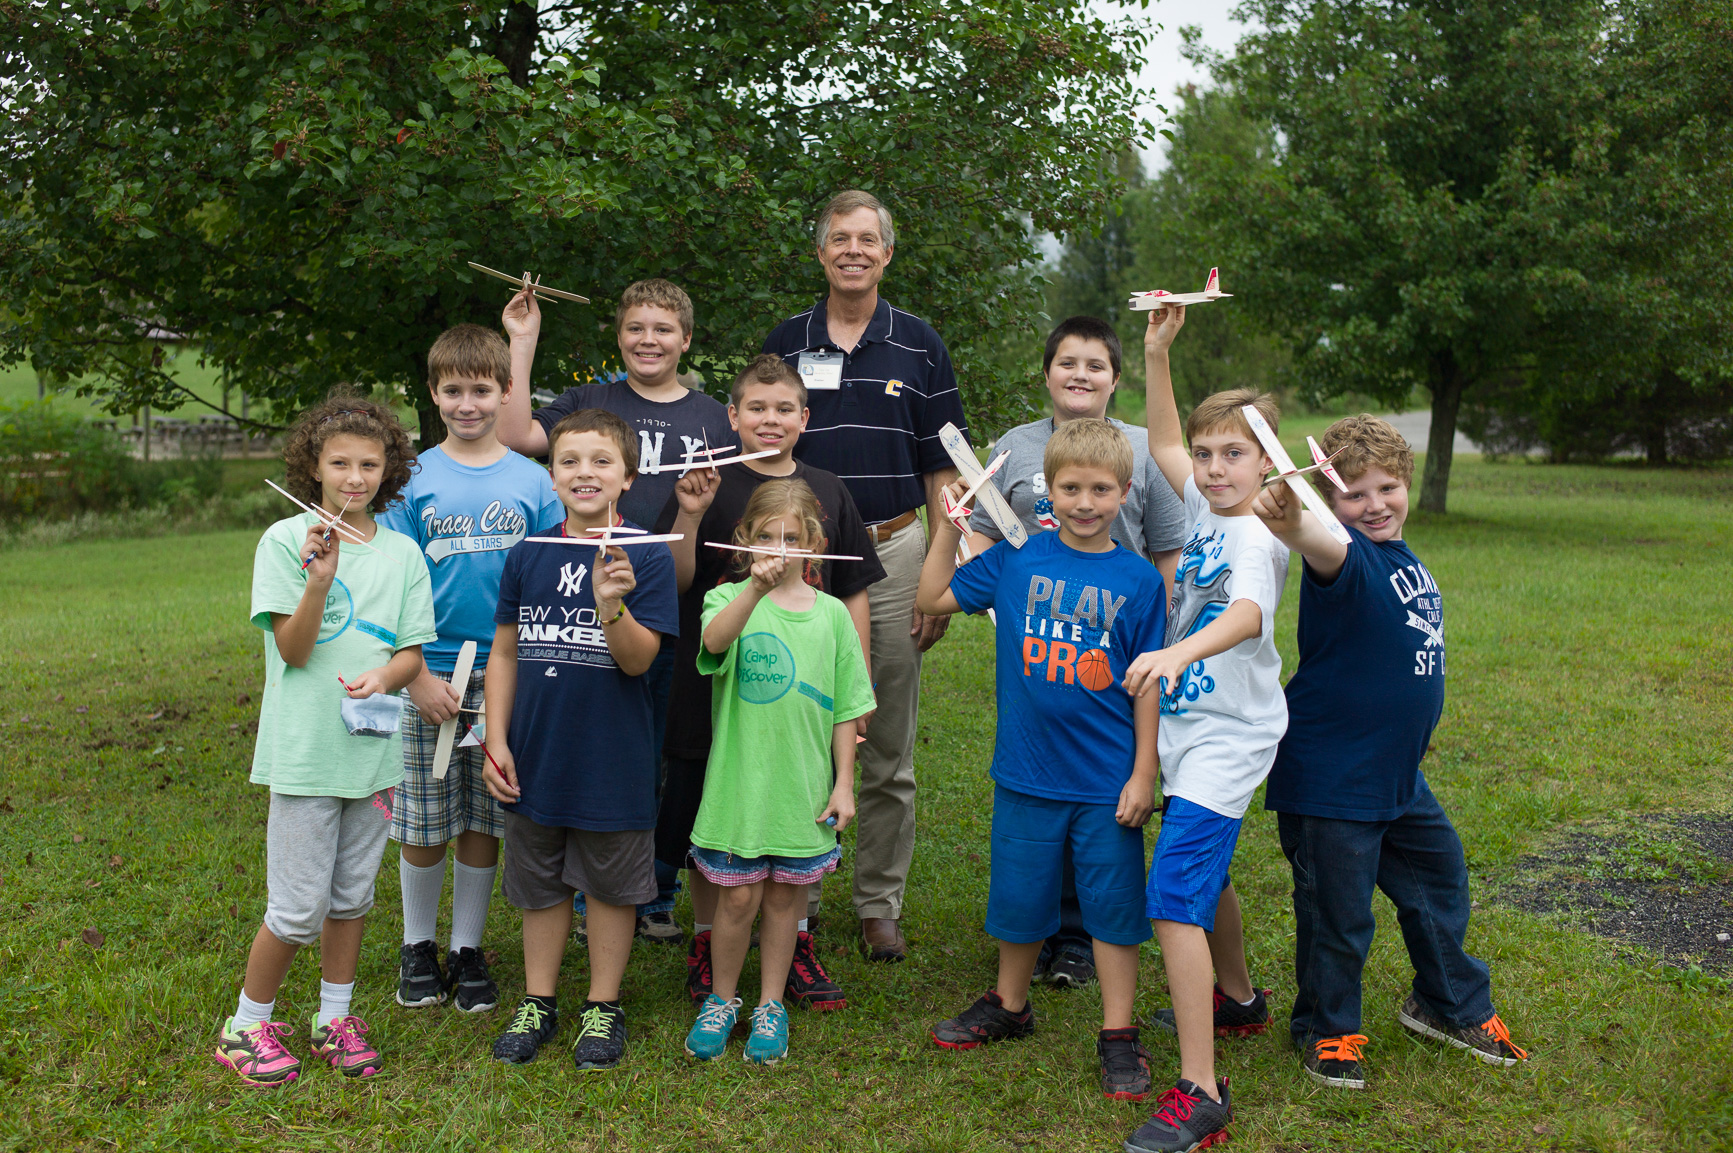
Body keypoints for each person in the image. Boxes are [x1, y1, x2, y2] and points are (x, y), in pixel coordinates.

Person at [1253, 415, 1529, 1090]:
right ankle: (1327, 1030)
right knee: (1338, 914)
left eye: (1387, 488)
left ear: (1406, 483)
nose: (1374, 504)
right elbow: (1311, 537)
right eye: (1354, 494)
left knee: (1439, 877)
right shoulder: (1342, 554)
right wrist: (1291, 518)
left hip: (1395, 775)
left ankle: (1445, 1003)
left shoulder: (1404, 559)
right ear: (1329, 499)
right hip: (1332, 778)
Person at [916, 419, 1165, 1102]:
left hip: (1105, 779)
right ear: (1046, 491)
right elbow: (931, 598)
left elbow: (1147, 682)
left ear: (1125, 492)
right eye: (1071, 488)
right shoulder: (1016, 559)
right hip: (1026, 771)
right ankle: (1010, 1002)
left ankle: (1118, 1031)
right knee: (1019, 897)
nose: (1085, 503)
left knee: (1112, 908)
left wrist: (1143, 772)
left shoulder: (1139, 580)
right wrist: (946, 530)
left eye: (1101, 489)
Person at [762, 190, 966, 962]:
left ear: (886, 252)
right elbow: (762, 447)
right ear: (820, 253)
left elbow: (943, 468)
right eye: (838, 238)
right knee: (802, 725)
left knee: (885, 736)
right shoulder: (786, 341)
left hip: (896, 553)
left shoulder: (919, 344)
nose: (853, 250)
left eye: (866, 239)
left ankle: (879, 901)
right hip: (801, 560)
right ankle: (801, 893)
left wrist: (938, 571)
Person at [497, 278, 733, 944]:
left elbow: (698, 539)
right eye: (635, 327)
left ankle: (650, 886)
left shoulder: (713, 419)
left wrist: (690, 515)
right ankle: (581, 893)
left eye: (663, 329)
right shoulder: (590, 401)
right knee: (585, 740)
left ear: (686, 339)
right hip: (572, 605)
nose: (648, 340)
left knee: (658, 749)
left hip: (665, 603)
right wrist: (522, 341)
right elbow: (515, 433)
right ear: (619, 335)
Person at [214, 396, 435, 1088]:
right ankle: (246, 1025)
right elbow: (294, 648)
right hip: (307, 753)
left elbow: (411, 653)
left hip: (374, 754)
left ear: (389, 469)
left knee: (351, 898)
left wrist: (386, 676)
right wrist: (319, 580)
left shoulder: (402, 553)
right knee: (296, 907)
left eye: (369, 464)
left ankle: (333, 1019)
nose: (354, 477)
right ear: (313, 465)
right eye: (340, 462)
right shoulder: (285, 541)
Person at [964, 314, 1188, 990]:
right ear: (1046, 373)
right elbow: (985, 532)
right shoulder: (1015, 445)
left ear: (1115, 378)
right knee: (1043, 784)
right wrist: (999, 603)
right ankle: (1039, 931)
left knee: (1100, 784)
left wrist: (1166, 643)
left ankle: (1082, 935)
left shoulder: (1142, 449)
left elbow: (1167, 550)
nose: (1080, 374)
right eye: (1067, 362)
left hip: (1120, 641)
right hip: (1041, 637)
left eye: (1095, 364)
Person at [654, 354, 884, 1010]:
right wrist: (690, 513)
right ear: (732, 415)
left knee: (797, 802)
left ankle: (795, 941)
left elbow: (852, 589)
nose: (770, 419)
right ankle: (708, 939)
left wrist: (858, 681)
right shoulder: (708, 480)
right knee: (711, 805)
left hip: (802, 684)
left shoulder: (827, 488)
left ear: (805, 418)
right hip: (716, 677)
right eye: (756, 407)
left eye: (784, 408)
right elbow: (676, 575)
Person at [1118, 304, 1289, 1153]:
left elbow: (1248, 613)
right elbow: (1160, 441)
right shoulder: (1202, 505)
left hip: (1228, 736)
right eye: (1209, 452)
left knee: (1172, 897)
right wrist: (1156, 353)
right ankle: (1240, 999)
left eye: (1234, 454)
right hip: (1185, 730)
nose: (1215, 468)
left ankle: (1201, 1089)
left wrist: (1174, 651)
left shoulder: (1257, 534)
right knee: (1202, 873)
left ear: (1268, 462)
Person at [481, 409, 679, 1073]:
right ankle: (538, 999)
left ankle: (602, 1003)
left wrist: (610, 606)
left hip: (613, 757)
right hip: (535, 751)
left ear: (627, 477)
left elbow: (638, 661)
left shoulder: (646, 553)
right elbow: (503, 652)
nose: (584, 472)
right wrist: (496, 738)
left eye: (600, 461)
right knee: (539, 882)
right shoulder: (529, 553)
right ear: (552, 474)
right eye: (569, 461)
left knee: (610, 885)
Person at [379, 323, 565, 1015]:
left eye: (481, 390)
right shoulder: (412, 480)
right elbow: (391, 584)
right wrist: (415, 677)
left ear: (505, 392)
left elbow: (547, 577)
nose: (467, 404)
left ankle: (466, 946)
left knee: (485, 816)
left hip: (505, 673)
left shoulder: (533, 481)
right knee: (424, 819)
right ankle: (417, 943)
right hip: (428, 670)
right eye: (453, 390)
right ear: (433, 393)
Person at [680, 480, 876, 1065]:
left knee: (786, 904)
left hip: (802, 788)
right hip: (741, 786)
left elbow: (847, 709)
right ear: (745, 540)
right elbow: (714, 642)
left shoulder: (834, 615)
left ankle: (770, 1004)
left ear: (814, 543)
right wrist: (754, 590)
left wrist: (844, 784)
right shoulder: (727, 599)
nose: (780, 549)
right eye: (767, 537)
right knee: (737, 902)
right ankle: (721, 1000)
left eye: (792, 537)